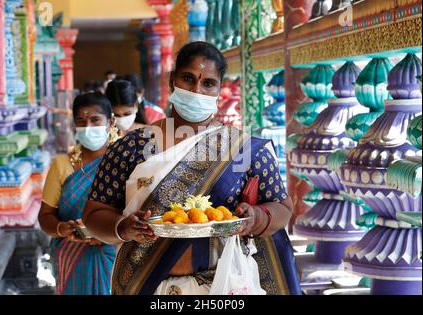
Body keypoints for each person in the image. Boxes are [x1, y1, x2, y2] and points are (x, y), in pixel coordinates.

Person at [82, 41, 300, 295]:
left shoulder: (244, 149)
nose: (197, 90)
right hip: (146, 286)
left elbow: (283, 209)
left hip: (223, 287)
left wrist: (256, 218)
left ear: (220, 89)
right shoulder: (130, 147)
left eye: (208, 83)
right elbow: (94, 214)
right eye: (188, 78)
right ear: (172, 80)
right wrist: (123, 227)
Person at [38, 92, 117, 295]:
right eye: (81, 121)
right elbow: (45, 215)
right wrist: (61, 228)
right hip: (71, 254)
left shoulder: (124, 163)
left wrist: (111, 235)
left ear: (111, 122)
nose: (88, 127)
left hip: (115, 253)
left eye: (95, 120)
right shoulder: (62, 165)